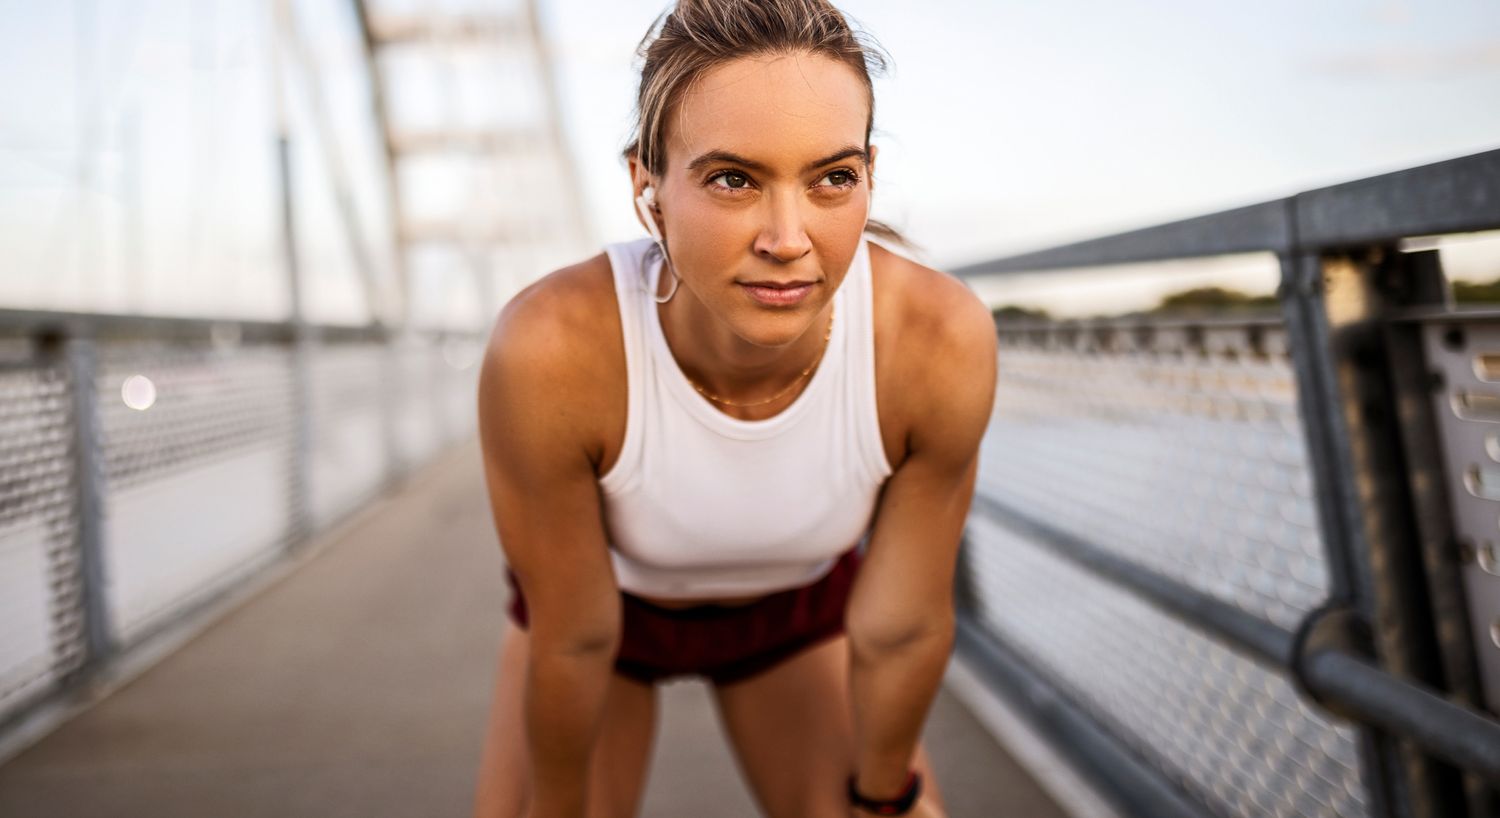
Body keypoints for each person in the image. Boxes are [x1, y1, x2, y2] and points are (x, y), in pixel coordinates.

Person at [471, 1, 996, 816]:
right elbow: (574, 637)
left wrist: (881, 797)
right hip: (601, 625)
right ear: (647, 185)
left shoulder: (936, 340)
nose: (788, 238)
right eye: (732, 179)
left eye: (832, 179)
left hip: (798, 615)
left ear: (869, 176)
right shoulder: (552, 347)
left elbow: (902, 627)